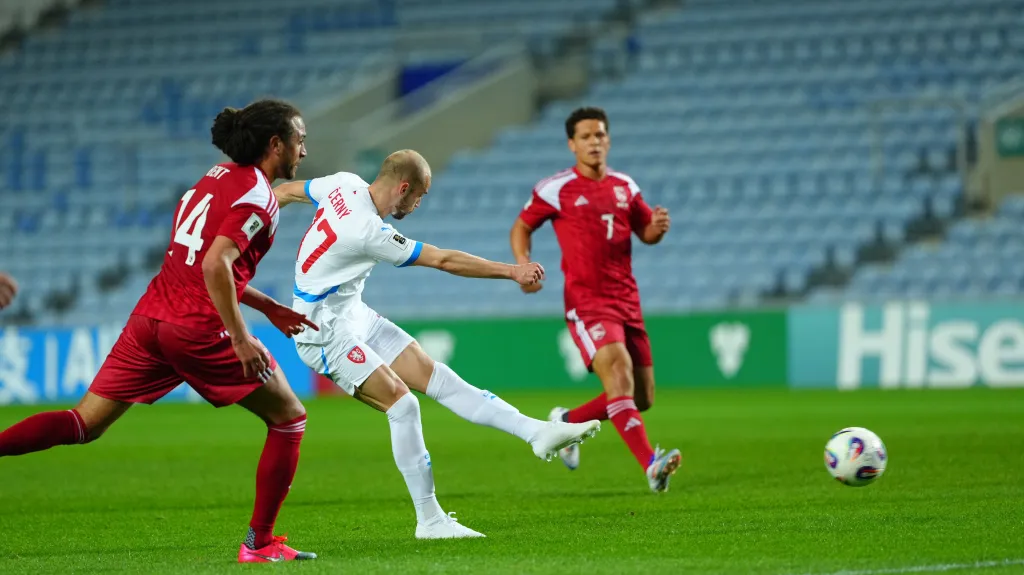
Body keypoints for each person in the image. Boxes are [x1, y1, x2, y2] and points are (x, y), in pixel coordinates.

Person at [0, 99, 319, 563]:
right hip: (197, 328)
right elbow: (215, 264)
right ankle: (259, 543)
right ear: (276, 144)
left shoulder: (214, 177)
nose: (304, 151)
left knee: (83, 423)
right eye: (300, 140)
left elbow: (201, 262)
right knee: (289, 417)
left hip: (150, 319)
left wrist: (267, 306)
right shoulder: (259, 198)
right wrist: (239, 337)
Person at [272, 150, 602, 538]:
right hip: (322, 330)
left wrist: (251, 219)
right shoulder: (368, 231)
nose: (419, 204)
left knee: (439, 378)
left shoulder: (343, 184)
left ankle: (536, 432)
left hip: (352, 313)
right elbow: (444, 260)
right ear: (404, 188)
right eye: (420, 195)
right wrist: (512, 271)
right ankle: (429, 520)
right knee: (403, 406)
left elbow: (286, 191)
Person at [509, 106, 681, 493]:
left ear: (609, 140)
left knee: (642, 396)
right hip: (587, 302)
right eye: (585, 136)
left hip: (628, 301)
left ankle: (566, 421)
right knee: (619, 375)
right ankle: (652, 465)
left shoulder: (625, 186)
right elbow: (521, 227)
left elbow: (645, 232)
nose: (594, 142)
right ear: (572, 144)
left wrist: (657, 228)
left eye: (600, 134)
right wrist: (522, 264)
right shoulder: (556, 188)